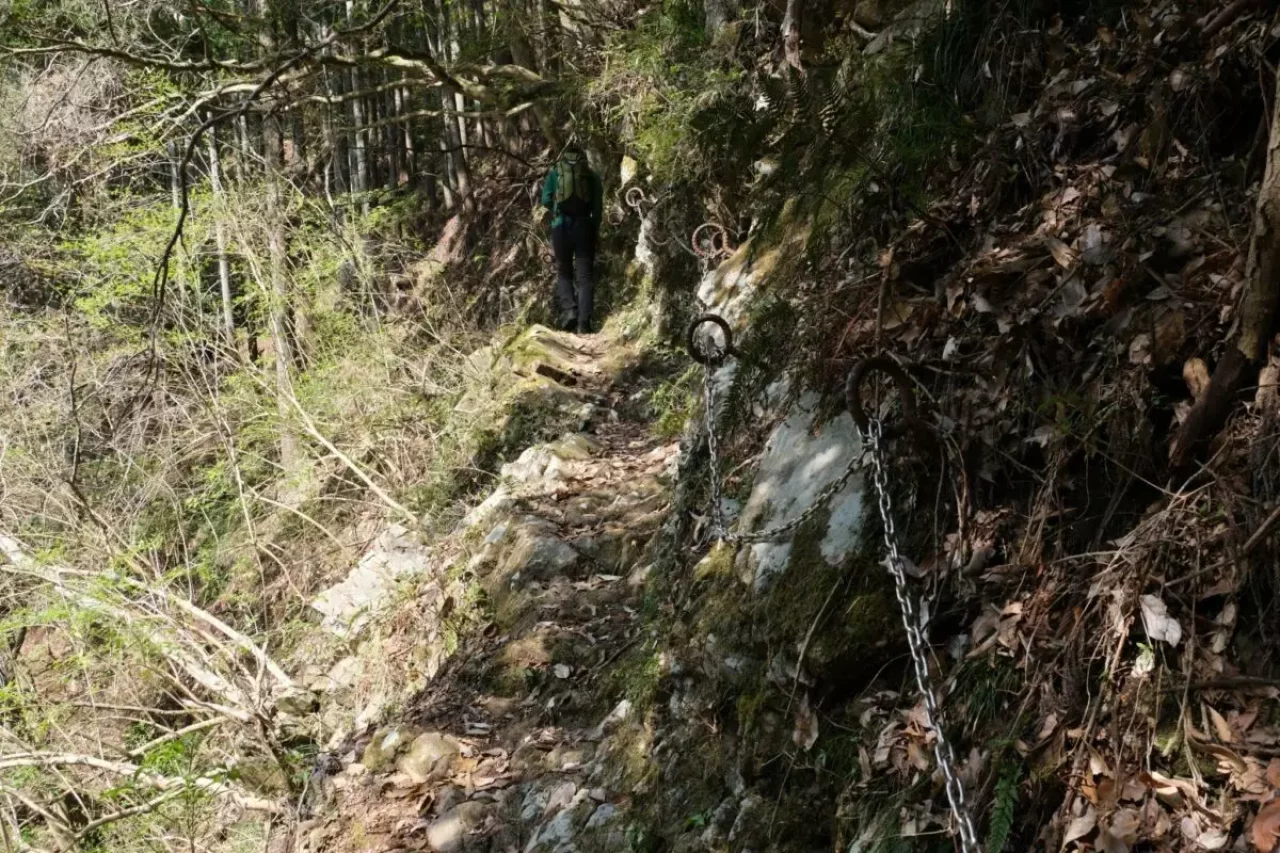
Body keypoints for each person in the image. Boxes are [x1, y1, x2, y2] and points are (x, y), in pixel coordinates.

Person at [540, 144, 603, 334]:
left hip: (561, 227)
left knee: (564, 272)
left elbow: (545, 200)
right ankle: (584, 323)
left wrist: (558, 209)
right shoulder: (591, 176)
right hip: (584, 227)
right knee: (585, 277)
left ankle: (570, 312)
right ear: (583, 157)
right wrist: (594, 229)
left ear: (563, 156)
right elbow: (598, 208)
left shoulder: (554, 174)